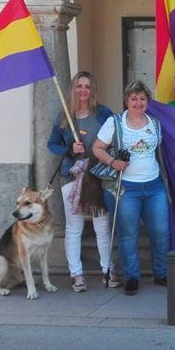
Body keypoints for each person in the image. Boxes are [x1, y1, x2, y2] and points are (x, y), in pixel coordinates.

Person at [92, 81, 169, 296]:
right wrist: (113, 162)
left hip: (154, 186)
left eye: (142, 99)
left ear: (148, 102)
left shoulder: (155, 123)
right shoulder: (114, 122)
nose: (138, 102)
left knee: (161, 232)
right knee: (127, 234)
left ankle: (161, 273)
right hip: (125, 188)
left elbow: (157, 152)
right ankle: (132, 277)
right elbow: (97, 148)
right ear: (127, 100)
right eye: (134, 98)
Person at [46, 71, 119, 292]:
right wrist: (69, 148)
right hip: (72, 176)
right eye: (79, 86)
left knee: (102, 226)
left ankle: (108, 270)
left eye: (87, 86)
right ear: (73, 89)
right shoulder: (63, 116)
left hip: (98, 175)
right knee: (74, 228)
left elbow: (116, 137)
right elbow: (52, 144)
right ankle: (76, 274)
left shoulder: (104, 113)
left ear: (93, 89)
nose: (83, 91)